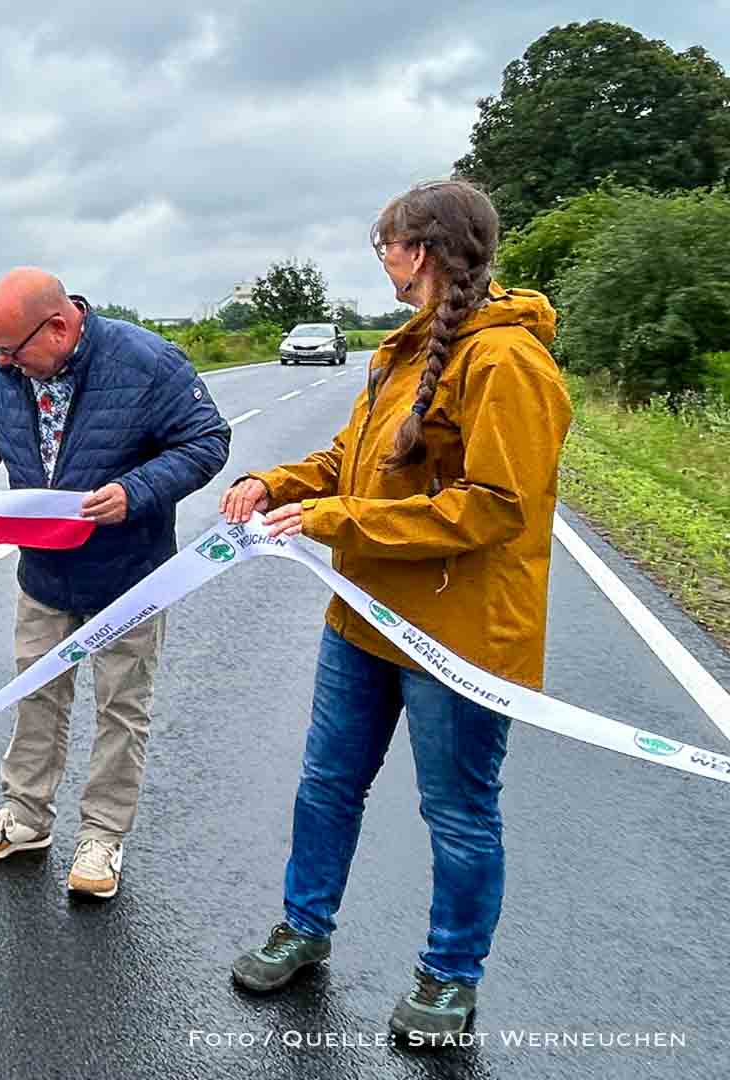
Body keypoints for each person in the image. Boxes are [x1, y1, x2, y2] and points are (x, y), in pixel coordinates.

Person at [219, 179, 570, 1042]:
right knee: (328, 783)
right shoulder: (401, 351)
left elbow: (495, 506)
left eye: (386, 244)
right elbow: (353, 459)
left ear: (422, 252)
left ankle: (450, 977)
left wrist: (341, 521)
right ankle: (305, 927)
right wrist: (280, 482)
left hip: (457, 636)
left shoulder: (507, 362)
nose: (381, 258)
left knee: (456, 811)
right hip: (362, 618)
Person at [0, 268, 230, 896]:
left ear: (59, 326)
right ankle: (25, 815)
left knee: (121, 709)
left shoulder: (148, 362)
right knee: (36, 693)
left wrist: (137, 491)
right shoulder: (9, 369)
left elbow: (208, 442)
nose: (3, 364)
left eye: (12, 351)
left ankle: (102, 837)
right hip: (43, 572)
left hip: (129, 576)